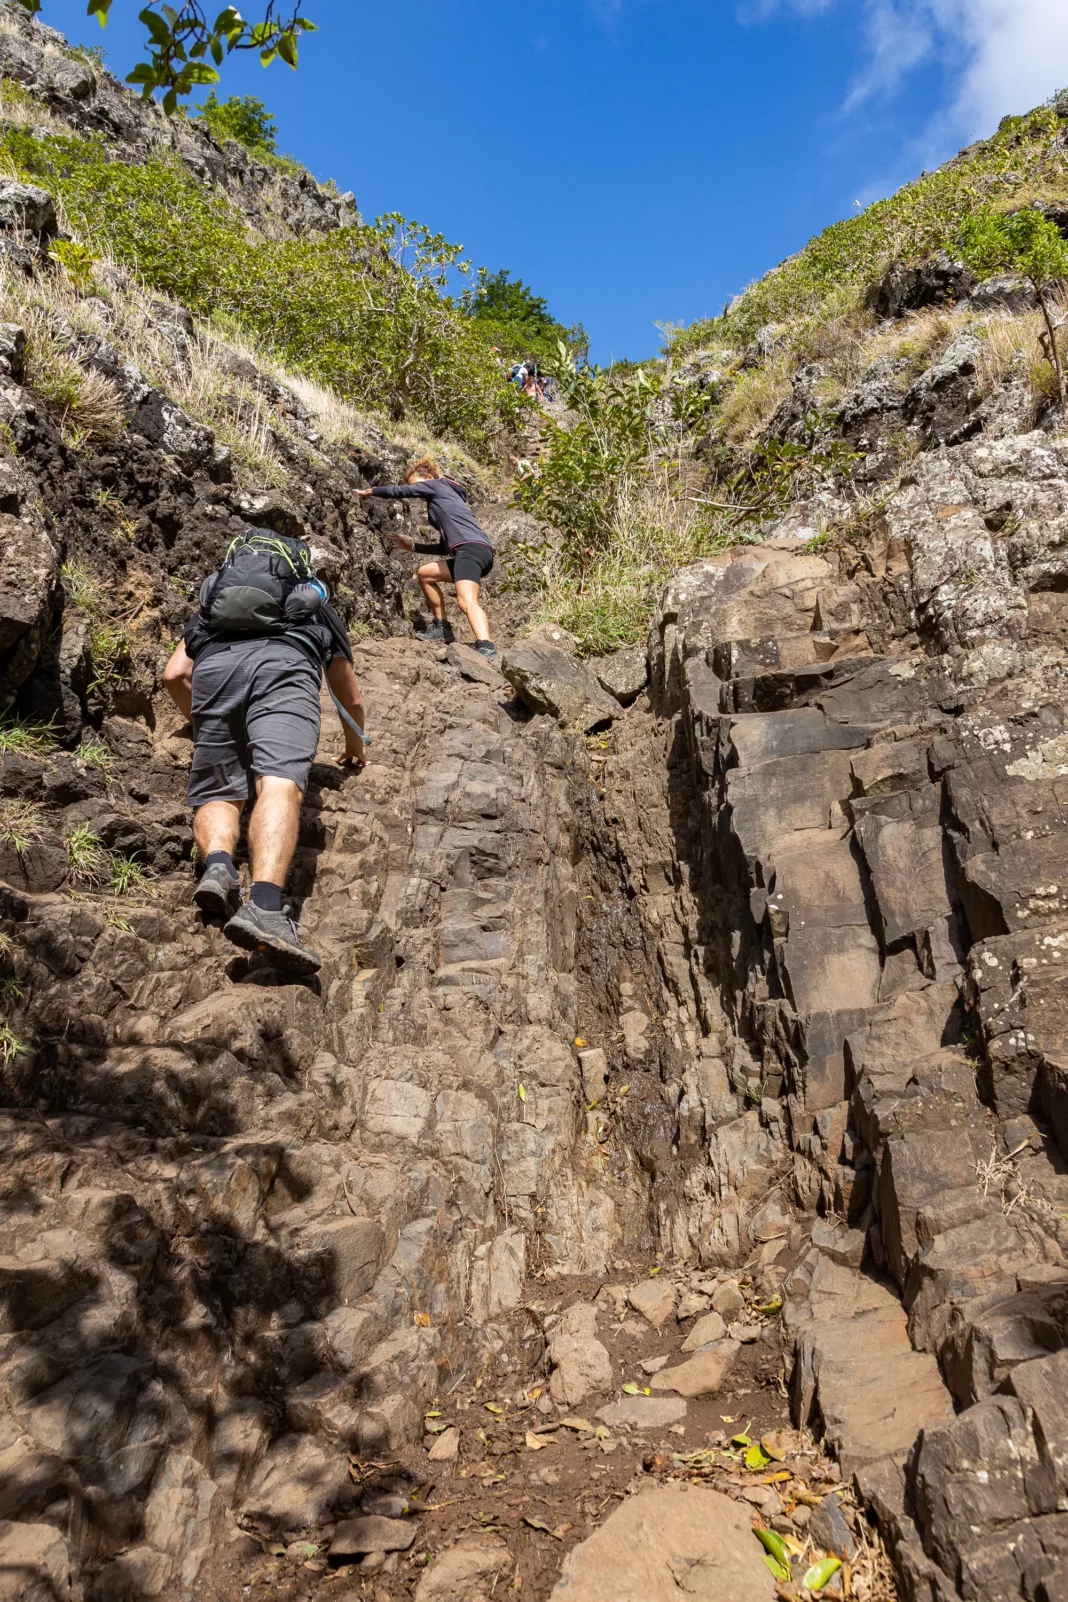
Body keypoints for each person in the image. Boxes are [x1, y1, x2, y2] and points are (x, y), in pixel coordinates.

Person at [162, 527, 367, 976]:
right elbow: (345, 687)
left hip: (215, 672)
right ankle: (266, 907)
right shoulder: (312, 601)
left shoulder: (214, 604)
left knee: (219, 787)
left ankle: (218, 864)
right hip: (283, 669)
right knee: (277, 781)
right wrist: (355, 744)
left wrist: (203, 721)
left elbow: (175, 674)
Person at [358, 458, 498, 659]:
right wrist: (413, 546)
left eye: (416, 486)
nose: (415, 491)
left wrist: (373, 491)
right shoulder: (442, 502)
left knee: (466, 601)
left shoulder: (438, 485)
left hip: (470, 549)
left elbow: (401, 492)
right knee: (425, 574)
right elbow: (445, 547)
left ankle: (486, 645)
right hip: (469, 550)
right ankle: (442, 628)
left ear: (429, 478)